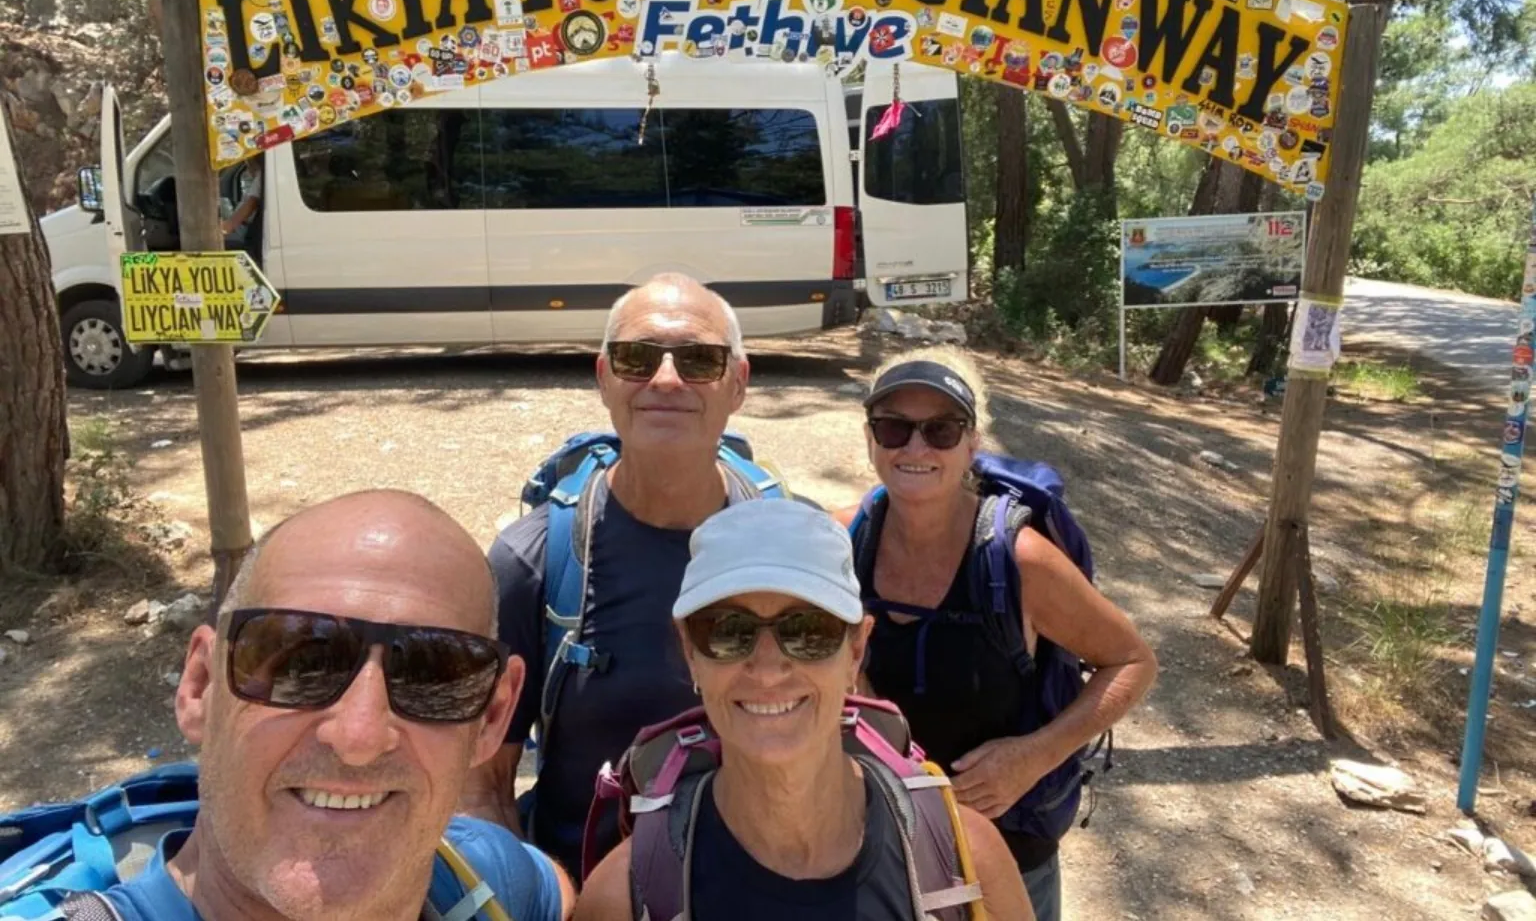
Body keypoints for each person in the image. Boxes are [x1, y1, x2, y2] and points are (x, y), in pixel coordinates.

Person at [33, 490, 571, 921]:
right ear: (199, 686)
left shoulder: (486, 877)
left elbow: (556, 891)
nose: (358, 736)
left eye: (434, 675)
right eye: (298, 666)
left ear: (493, 716)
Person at [575, 499, 1035, 920]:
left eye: (809, 631)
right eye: (727, 632)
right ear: (691, 651)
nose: (768, 669)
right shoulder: (625, 897)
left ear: (856, 651)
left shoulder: (968, 863)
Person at [461, 274, 778, 878]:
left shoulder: (788, 547)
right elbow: (483, 783)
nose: (665, 380)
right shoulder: (532, 563)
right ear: (604, 376)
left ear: (738, 383)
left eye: (698, 360)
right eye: (637, 359)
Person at [833, 348, 1158, 921]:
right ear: (870, 439)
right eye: (893, 428)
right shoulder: (843, 542)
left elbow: (1132, 661)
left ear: (972, 443)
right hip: (878, 839)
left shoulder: (1018, 560)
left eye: (940, 430)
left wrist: (1035, 756)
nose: (915, 448)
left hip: (1008, 848)